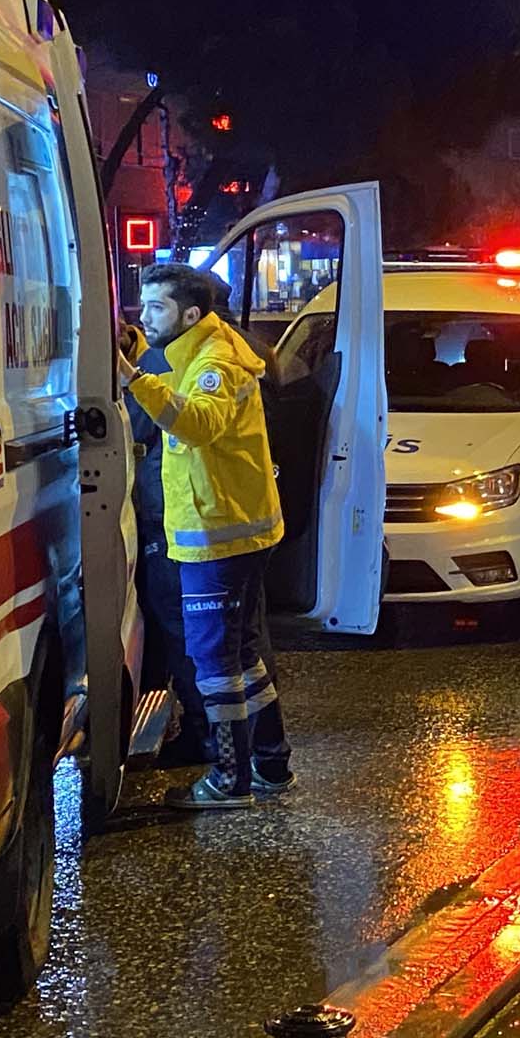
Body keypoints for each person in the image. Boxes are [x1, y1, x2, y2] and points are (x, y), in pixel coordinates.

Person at [119, 263, 295, 809]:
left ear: (190, 315)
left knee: (215, 662)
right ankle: (271, 763)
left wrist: (130, 377)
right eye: (142, 305)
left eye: (156, 308)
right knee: (241, 657)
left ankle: (228, 779)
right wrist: (136, 351)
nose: (143, 316)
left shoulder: (214, 362)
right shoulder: (199, 349)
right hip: (228, 529)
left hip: (216, 535)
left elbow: (197, 424)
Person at [121, 324, 213, 766]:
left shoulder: (155, 365)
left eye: (157, 305)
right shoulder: (191, 355)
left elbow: (128, 430)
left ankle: (204, 737)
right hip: (183, 514)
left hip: (165, 516)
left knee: (179, 629)